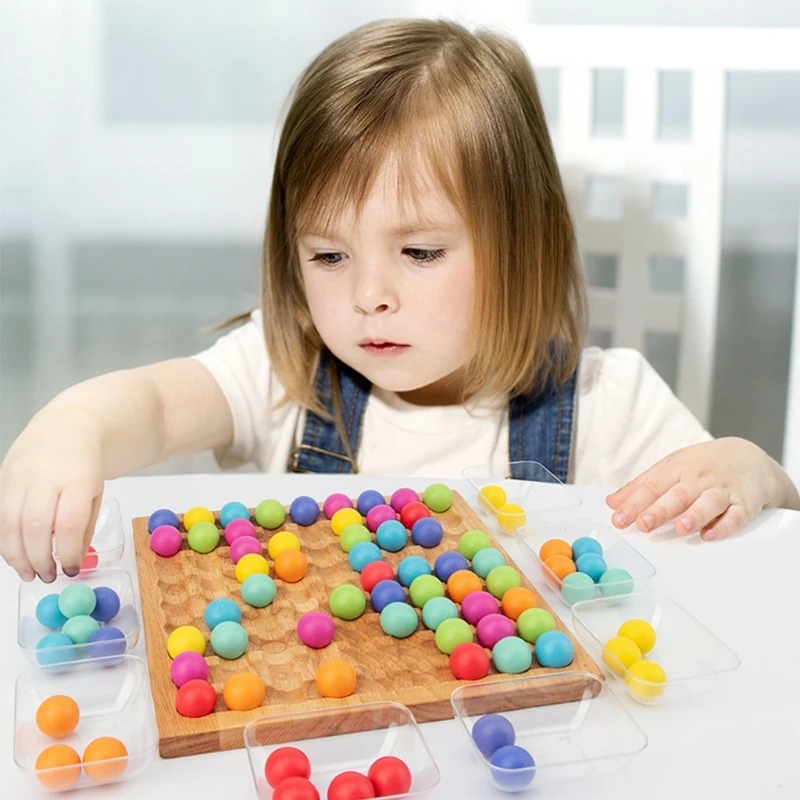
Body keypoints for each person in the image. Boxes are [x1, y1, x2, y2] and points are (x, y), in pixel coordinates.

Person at [1, 19, 797, 583]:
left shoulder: (607, 405)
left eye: (419, 253)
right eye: (328, 255)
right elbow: (152, 405)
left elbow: (772, 538)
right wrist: (70, 428)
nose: (369, 296)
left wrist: (749, 469)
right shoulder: (283, 370)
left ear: (527, 243)